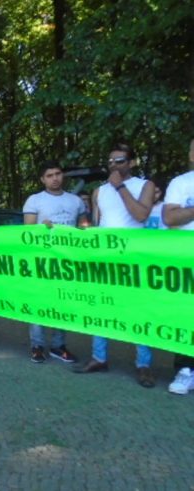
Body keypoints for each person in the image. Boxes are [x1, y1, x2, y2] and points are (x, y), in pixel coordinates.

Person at [75, 143, 156, 387]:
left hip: (134, 261)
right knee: (101, 308)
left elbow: (141, 215)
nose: (114, 165)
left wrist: (119, 186)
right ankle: (99, 357)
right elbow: (99, 225)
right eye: (110, 162)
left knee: (140, 312)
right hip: (105, 260)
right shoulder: (99, 191)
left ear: (131, 163)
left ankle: (143, 365)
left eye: (120, 161)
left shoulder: (145, 185)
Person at [23, 161, 87, 363]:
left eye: (58, 174)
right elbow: (28, 231)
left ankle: (58, 346)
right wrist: (42, 228)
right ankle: (37, 345)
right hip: (42, 261)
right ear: (43, 179)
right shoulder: (34, 200)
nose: (55, 178)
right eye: (49, 175)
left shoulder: (76, 201)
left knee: (63, 302)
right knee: (39, 302)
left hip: (67, 262)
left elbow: (85, 226)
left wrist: (84, 229)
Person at [162, 138, 194, 394]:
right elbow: (170, 217)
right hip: (187, 258)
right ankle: (186, 370)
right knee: (188, 315)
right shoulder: (181, 183)